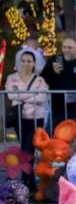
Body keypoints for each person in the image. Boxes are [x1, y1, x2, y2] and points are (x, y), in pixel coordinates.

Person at [5, 50, 48, 189]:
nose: (26, 64)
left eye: (29, 61)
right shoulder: (12, 78)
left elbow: (42, 97)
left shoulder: (39, 80)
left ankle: (28, 179)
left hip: (36, 117)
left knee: (29, 148)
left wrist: (21, 96)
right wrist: (32, 96)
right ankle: (28, 180)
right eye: (23, 61)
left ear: (34, 63)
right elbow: (11, 95)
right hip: (20, 118)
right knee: (25, 149)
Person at [41, 37, 76, 126]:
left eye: (70, 47)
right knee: (53, 134)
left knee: (72, 135)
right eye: (64, 47)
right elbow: (43, 78)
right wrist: (52, 71)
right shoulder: (54, 60)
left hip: (74, 107)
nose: (66, 50)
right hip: (56, 106)